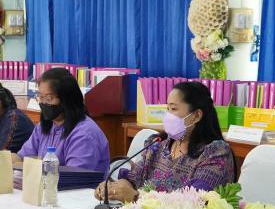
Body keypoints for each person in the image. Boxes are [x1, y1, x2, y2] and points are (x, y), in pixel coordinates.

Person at [94, 81, 233, 201]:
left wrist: (136, 197)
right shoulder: (158, 145)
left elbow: (195, 200)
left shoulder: (215, 153)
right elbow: (134, 177)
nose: (168, 115)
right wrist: (116, 188)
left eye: (174, 109)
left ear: (196, 115)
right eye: (167, 108)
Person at [16, 68, 110, 179]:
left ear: (66, 99)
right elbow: (22, 158)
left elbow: (74, 177)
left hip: (78, 188)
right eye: (40, 97)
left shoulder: (84, 134)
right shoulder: (44, 127)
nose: (43, 103)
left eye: (49, 98)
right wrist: (4, 160)